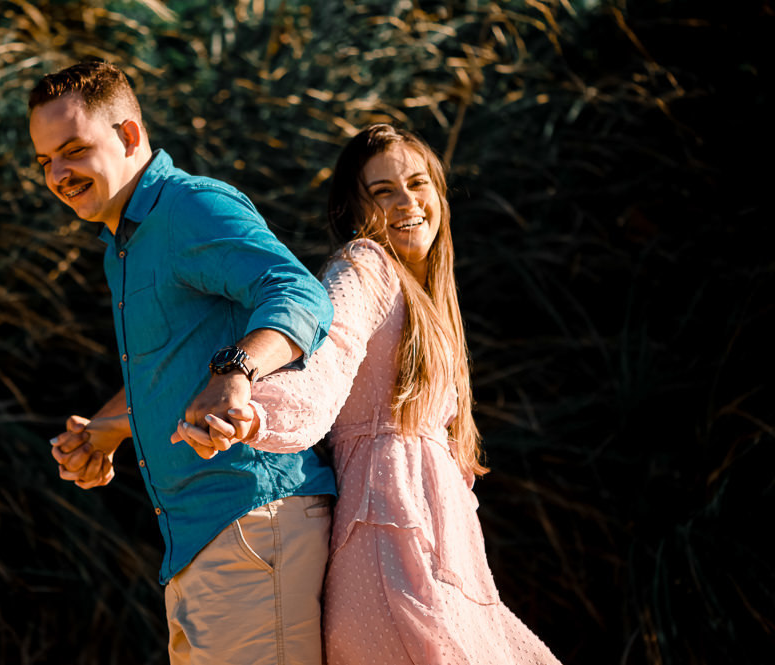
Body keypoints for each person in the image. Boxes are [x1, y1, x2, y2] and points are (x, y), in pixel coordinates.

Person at [179, 124, 562, 664]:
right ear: (355, 211)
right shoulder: (364, 265)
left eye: (417, 182)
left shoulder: (429, 297)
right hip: (387, 539)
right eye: (383, 192)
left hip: (440, 545)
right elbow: (326, 364)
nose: (407, 202)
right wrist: (251, 411)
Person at [29, 61, 336, 665]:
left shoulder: (188, 208)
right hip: (198, 550)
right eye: (45, 162)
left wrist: (236, 372)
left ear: (129, 136)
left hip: (254, 524)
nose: (59, 175)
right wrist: (106, 432)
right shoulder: (123, 245)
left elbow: (299, 292)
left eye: (73, 150)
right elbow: (172, 370)